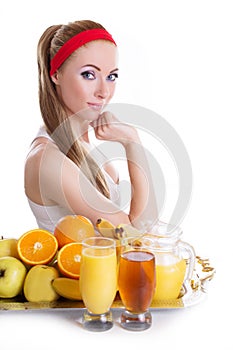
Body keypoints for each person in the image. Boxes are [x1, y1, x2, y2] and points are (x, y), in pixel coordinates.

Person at [24, 19, 158, 233]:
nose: (104, 91)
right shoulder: (47, 160)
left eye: (111, 76)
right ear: (56, 75)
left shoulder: (84, 141)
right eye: (89, 75)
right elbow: (136, 234)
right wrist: (133, 142)